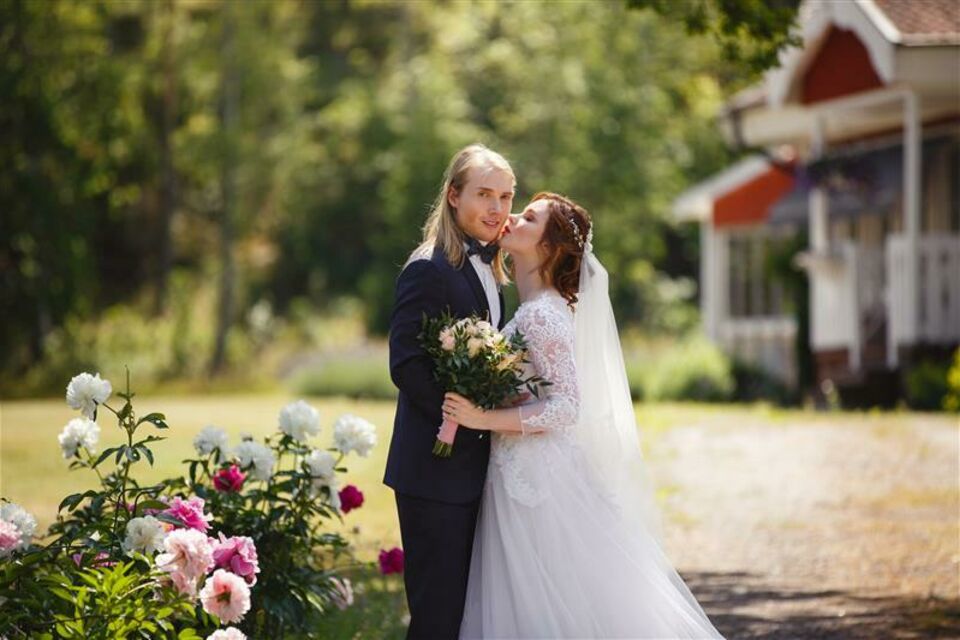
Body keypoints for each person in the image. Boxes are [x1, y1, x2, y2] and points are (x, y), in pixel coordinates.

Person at [446, 192, 725, 639]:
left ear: (549, 247)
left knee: (553, 599)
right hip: (522, 468)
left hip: (540, 481)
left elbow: (566, 406)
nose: (511, 217)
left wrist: (482, 418)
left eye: (528, 217)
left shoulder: (541, 316)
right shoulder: (539, 307)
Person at [384, 143, 516, 639]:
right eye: (484, 194)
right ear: (454, 196)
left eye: (505, 196)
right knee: (437, 617)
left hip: (474, 470)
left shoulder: (490, 270)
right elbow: (406, 364)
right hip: (433, 471)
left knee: (466, 615)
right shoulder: (429, 267)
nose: (497, 208)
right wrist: (461, 412)